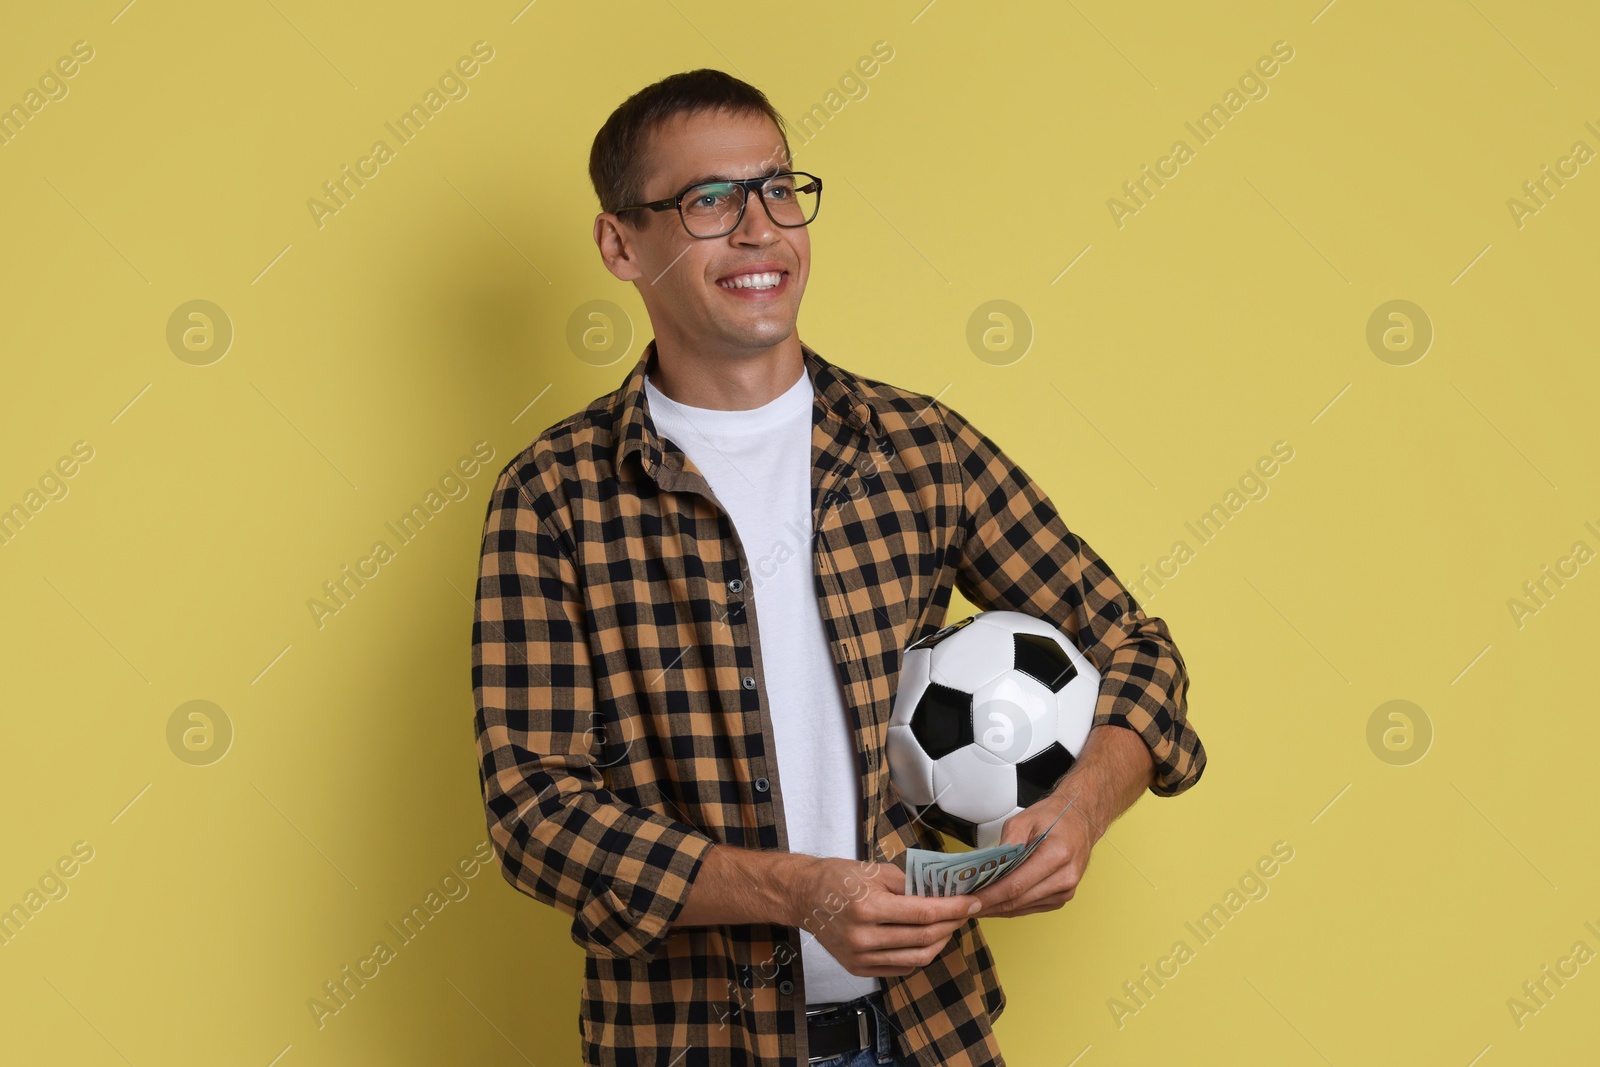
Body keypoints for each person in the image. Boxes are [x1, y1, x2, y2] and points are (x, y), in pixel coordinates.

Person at [471, 68, 1207, 1067]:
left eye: (780, 188)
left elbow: (1136, 647)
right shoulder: (555, 495)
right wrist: (797, 890)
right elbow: (534, 810)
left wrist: (1081, 809)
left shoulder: (916, 448)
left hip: (926, 1034)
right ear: (619, 243)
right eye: (709, 200)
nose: (760, 229)